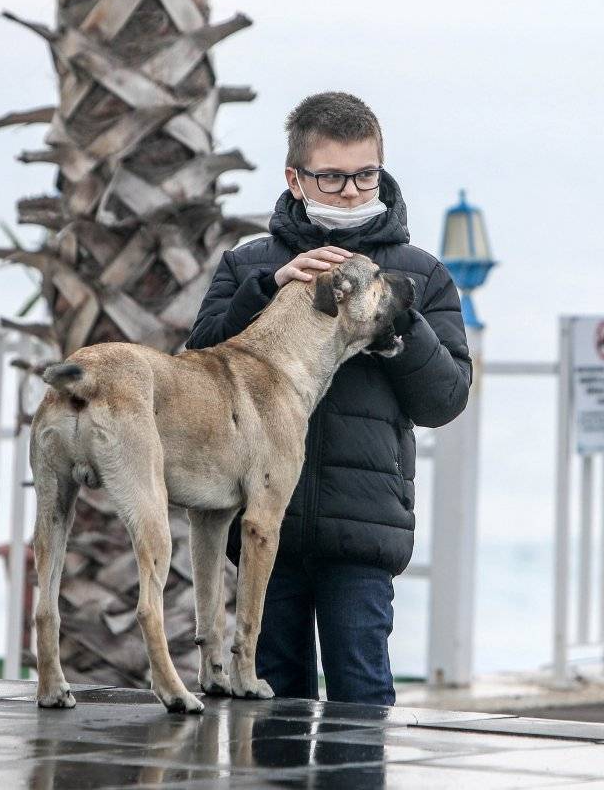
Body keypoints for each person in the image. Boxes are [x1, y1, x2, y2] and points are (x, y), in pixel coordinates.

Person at [185, 91, 471, 706]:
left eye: (365, 175)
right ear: (295, 177)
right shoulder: (250, 264)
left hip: (363, 525)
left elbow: (445, 400)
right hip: (265, 526)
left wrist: (394, 313)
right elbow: (196, 368)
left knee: (362, 697)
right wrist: (268, 289)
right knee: (270, 708)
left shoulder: (419, 273)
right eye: (332, 177)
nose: (350, 191)